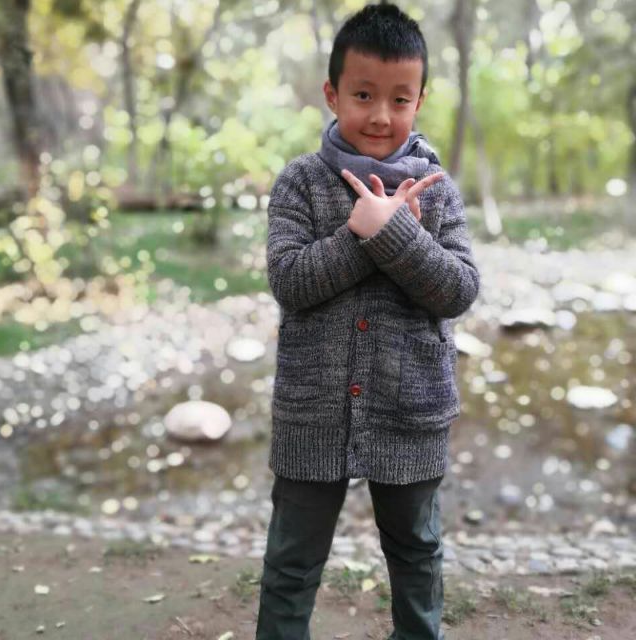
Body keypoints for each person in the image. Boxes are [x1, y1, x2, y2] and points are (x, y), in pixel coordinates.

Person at [255, 3, 480, 639]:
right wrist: (363, 237)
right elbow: (290, 281)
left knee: (416, 554)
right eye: (362, 95)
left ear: (420, 101)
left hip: (412, 411)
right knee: (292, 562)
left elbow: (458, 290)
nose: (380, 115)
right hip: (313, 414)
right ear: (332, 94)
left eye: (399, 99)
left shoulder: (436, 189)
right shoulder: (300, 183)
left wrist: (397, 235)